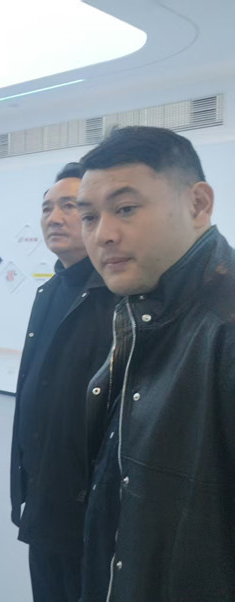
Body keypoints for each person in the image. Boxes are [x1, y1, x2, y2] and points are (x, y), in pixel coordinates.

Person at [76, 126, 235, 600]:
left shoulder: (223, 327)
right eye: (89, 216)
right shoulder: (142, 311)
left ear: (198, 204)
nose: (103, 235)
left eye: (126, 208)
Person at [9, 164, 116, 601]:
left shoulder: (118, 295)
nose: (54, 217)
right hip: (44, 498)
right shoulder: (49, 292)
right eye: (47, 208)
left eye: (69, 206)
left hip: (90, 514)